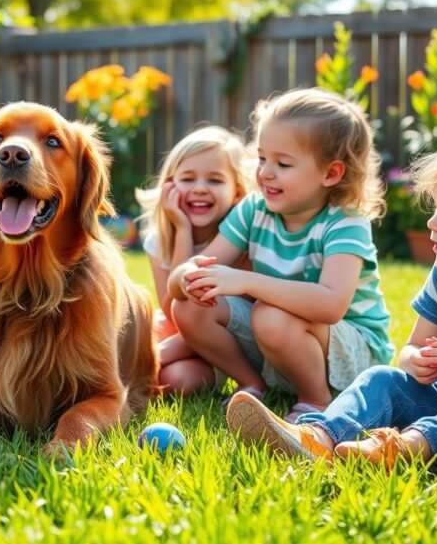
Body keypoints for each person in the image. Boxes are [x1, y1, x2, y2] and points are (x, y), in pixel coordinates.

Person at [227, 128, 437, 467]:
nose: (432, 222)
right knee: (382, 377)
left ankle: (407, 448)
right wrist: (416, 363)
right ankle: (318, 437)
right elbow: (410, 350)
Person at [168, 87, 393, 421]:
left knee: (269, 314)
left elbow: (330, 306)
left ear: (331, 173)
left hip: (350, 356)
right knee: (188, 307)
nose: (265, 173)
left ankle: (316, 402)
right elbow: (185, 279)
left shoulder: (345, 222)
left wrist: (245, 281)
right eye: (261, 158)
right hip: (279, 340)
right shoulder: (255, 209)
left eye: (283, 163)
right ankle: (252, 386)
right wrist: (187, 278)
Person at [134, 126, 255, 395]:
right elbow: (171, 309)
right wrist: (183, 232)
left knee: (168, 371)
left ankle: (143, 363)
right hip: (184, 336)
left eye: (214, 180)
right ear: (169, 186)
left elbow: (222, 320)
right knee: (174, 379)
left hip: (224, 344)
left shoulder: (239, 241)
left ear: (237, 192)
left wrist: (161, 353)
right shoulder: (159, 240)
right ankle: (146, 364)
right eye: (188, 179)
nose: (200, 189)